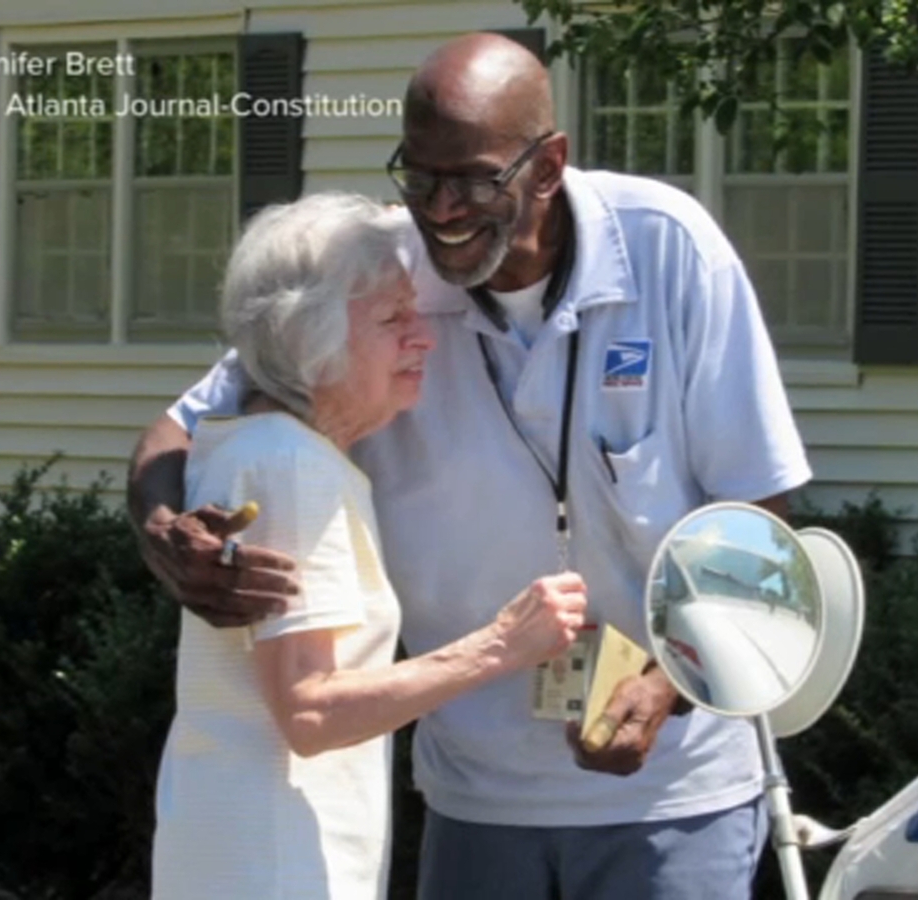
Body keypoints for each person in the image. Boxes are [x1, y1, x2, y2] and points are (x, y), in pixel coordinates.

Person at [128, 32, 813, 900]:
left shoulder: (668, 249)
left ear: (548, 163)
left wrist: (672, 682)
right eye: (419, 177)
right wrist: (161, 528)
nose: (442, 208)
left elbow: (759, 514)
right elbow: (185, 429)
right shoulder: (381, 274)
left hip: (675, 796)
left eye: (475, 179)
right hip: (474, 797)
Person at [148, 190, 590, 900]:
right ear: (306, 338)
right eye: (392, 319)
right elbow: (313, 711)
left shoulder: (267, 451)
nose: (424, 338)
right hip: (275, 864)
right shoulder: (288, 466)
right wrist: (502, 644)